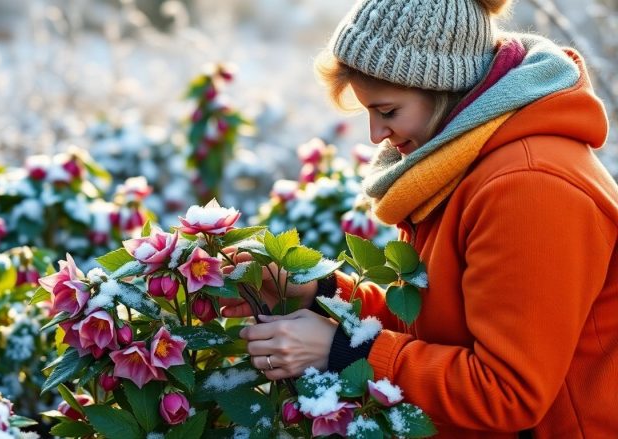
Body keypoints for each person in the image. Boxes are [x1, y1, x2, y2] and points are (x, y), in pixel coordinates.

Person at [221, 0, 618, 437]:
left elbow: (507, 394)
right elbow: (435, 324)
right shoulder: (458, 162)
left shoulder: (529, 187)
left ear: (446, 87)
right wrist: (320, 292)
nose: (376, 135)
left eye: (387, 111)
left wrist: (345, 352)